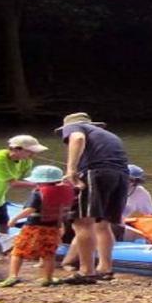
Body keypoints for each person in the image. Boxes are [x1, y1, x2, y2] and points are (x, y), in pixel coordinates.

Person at [56, 112, 129, 284]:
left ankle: (86, 271)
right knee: (102, 223)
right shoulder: (109, 135)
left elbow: (77, 138)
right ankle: (105, 268)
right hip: (121, 176)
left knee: (81, 221)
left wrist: (71, 169)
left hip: (95, 174)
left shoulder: (75, 127)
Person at [61, 163, 152, 268]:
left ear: (136, 182)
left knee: (99, 228)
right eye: (124, 178)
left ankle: (74, 261)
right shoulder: (106, 186)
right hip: (94, 219)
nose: (126, 182)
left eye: (131, 180)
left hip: (115, 224)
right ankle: (68, 260)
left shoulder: (140, 193)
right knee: (86, 226)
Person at [0, 165, 74, 288]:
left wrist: (15, 218)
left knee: (18, 251)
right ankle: (47, 278)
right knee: (49, 253)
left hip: (34, 227)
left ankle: (13, 276)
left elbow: (30, 209)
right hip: (53, 227)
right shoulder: (65, 191)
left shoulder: (38, 193)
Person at [0, 135, 49, 233]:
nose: (33, 154)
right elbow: (13, 183)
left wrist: (49, 183)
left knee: (3, 224)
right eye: (30, 151)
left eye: (35, 152)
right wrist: (40, 185)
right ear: (16, 149)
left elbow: (28, 180)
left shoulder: (26, 161)